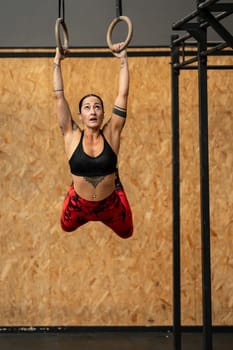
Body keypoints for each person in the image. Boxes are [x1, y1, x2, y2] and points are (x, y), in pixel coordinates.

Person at [53, 43, 133, 239]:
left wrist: (123, 59)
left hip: (109, 204)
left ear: (103, 113)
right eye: (87, 107)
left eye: (97, 107)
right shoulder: (71, 135)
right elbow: (58, 96)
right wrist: (57, 61)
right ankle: (76, 186)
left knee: (127, 232)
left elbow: (122, 95)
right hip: (79, 205)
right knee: (65, 227)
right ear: (80, 115)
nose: (93, 111)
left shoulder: (111, 132)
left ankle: (117, 184)